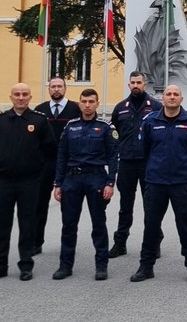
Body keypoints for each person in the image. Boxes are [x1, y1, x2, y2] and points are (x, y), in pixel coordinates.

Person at [0, 83, 57, 281]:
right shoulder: (0, 121)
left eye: (24, 94)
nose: (20, 98)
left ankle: (25, 265)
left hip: (29, 180)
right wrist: (1, 158)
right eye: (17, 94)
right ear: (11, 97)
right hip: (4, 180)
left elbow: (50, 147)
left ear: (30, 97)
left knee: (27, 223)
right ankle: (0, 265)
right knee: (3, 224)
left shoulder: (39, 121)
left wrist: (34, 161)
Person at [130, 84, 187, 284]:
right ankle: (146, 267)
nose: (172, 97)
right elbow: (144, 148)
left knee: (186, 226)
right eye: (168, 94)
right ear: (163, 98)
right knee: (151, 226)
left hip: (181, 182)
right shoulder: (150, 121)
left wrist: (184, 164)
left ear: (181, 99)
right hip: (156, 182)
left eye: (175, 94)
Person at [52, 89, 118, 281]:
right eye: (84, 101)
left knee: (98, 224)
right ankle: (65, 266)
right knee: (69, 225)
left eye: (91, 101)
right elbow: (62, 156)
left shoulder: (105, 127)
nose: (87, 105)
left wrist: (110, 182)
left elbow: (114, 156)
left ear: (97, 104)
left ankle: (101, 266)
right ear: (79, 104)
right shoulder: (70, 127)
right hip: (72, 180)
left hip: (96, 178)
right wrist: (58, 183)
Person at [108, 71, 162, 258]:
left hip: (149, 163)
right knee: (125, 206)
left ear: (145, 84)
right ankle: (120, 243)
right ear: (129, 85)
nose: (136, 85)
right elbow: (114, 135)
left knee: (151, 206)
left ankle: (154, 243)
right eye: (133, 82)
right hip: (127, 163)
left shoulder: (155, 107)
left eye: (139, 82)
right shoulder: (120, 108)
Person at [33, 76, 81, 254]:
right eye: (53, 86)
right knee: (39, 204)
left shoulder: (75, 109)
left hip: (68, 163)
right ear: (49, 89)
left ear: (65, 88)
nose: (56, 89)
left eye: (59, 86)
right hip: (44, 163)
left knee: (68, 206)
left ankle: (67, 245)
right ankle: (36, 242)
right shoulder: (40, 110)